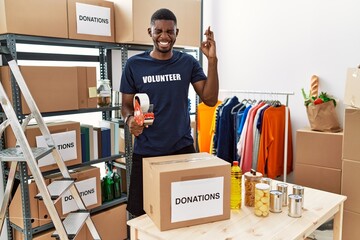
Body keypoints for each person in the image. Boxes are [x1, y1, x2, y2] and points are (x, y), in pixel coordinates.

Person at [120, 8, 219, 217]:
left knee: (187, 210)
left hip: (181, 150)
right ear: (150, 32)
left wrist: (212, 60)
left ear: (176, 33)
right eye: (158, 31)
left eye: (169, 31)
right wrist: (129, 121)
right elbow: (126, 105)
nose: (164, 36)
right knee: (141, 215)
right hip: (146, 151)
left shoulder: (187, 62)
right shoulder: (134, 65)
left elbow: (209, 100)